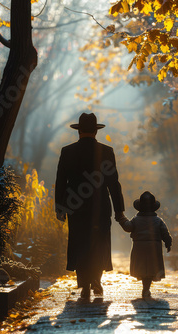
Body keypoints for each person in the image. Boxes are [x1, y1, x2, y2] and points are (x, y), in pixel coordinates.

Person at [55, 112, 127, 299]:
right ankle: (96, 279)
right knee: (99, 242)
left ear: (78, 131)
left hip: (75, 206)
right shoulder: (107, 151)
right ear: (96, 131)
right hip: (100, 206)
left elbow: (61, 181)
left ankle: (85, 284)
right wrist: (119, 210)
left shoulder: (67, 151)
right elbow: (113, 183)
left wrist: (60, 207)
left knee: (80, 242)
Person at [117, 191, 172, 298]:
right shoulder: (158, 220)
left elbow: (128, 227)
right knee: (151, 268)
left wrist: (121, 218)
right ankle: (146, 288)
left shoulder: (136, 220)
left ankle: (145, 288)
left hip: (139, 247)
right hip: (154, 248)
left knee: (142, 269)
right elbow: (165, 233)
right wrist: (168, 243)